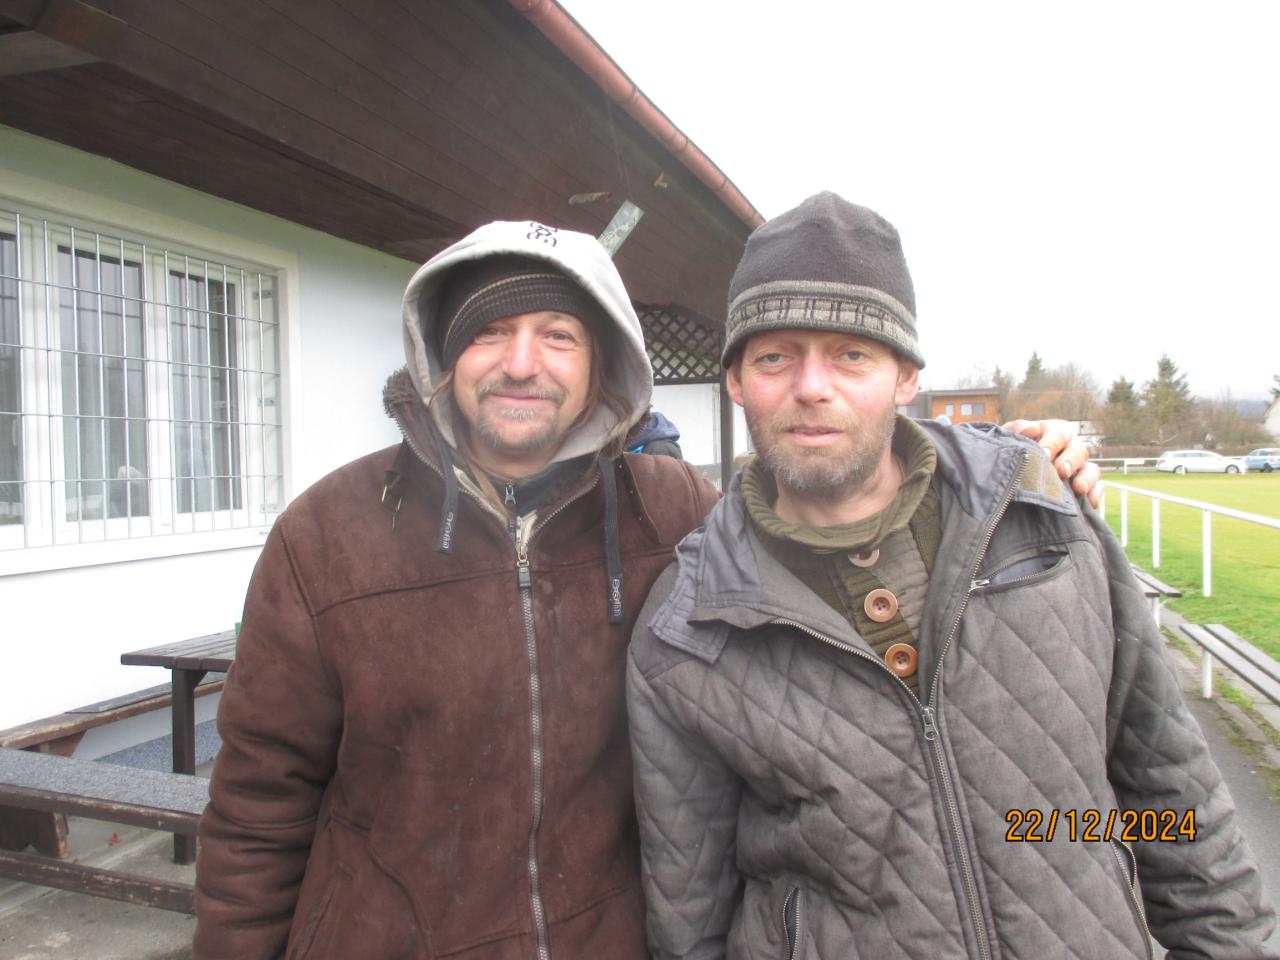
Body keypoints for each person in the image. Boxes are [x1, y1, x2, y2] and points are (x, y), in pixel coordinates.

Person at [194, 216, 1098, 960]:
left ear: (602, 368)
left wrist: (1005, 472)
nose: (521, 362)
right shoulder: (326, 535)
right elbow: (258, 806)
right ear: (442, 352)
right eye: (489, 332)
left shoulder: (677, 512)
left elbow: (841, 515)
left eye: (558, 336)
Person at [627, 193, 1276, 960]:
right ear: (736, 380)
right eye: (775, 357)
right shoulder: (687, 629)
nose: (812, 386)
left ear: (905, 375)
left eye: (852, 354)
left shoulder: (1043, 521)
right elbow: (692, 920)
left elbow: (1172, 800)